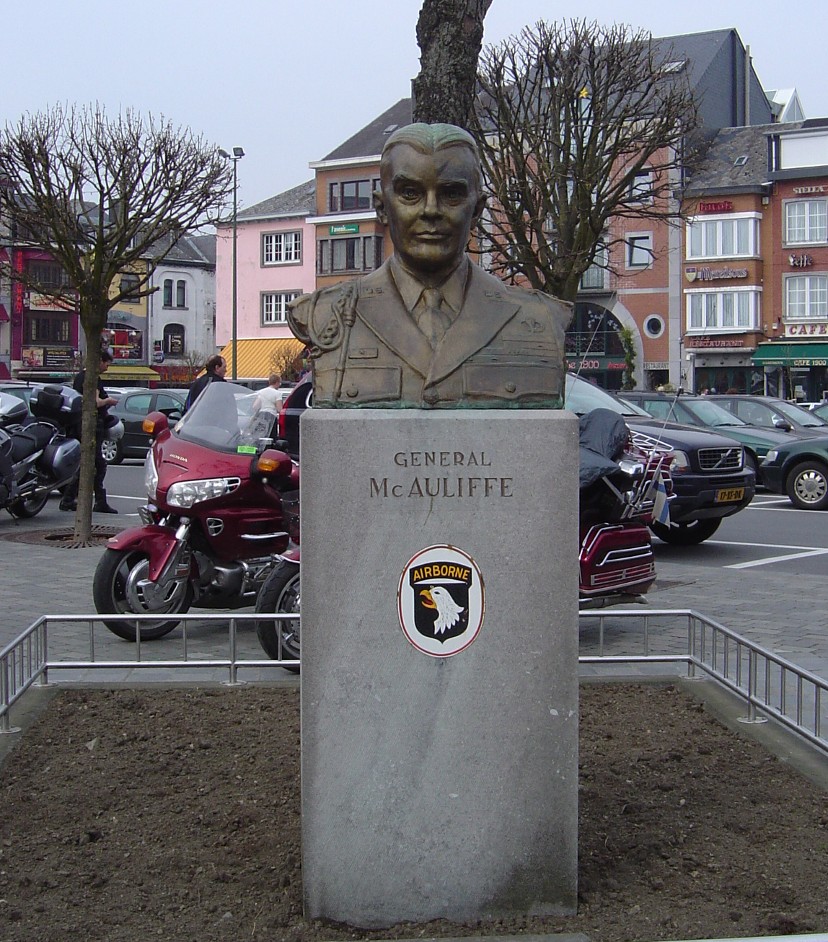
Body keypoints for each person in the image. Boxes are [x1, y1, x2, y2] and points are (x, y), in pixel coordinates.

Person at [288, 123, 571, 409]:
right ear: (382, 208)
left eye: (451, 194)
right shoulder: (325, 314)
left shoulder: (542, 318)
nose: (431, 210)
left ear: (477, 210)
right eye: (410, 193)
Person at [59, 349, 119, 513]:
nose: (107, 367)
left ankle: (93, 500)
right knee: (93, 462)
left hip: (81, 423)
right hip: (92, 424)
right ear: (99, 361)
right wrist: (109, 401)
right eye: (106, 364)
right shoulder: (92, 378)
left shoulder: (79, 377)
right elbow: (95, 402)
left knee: (93, 463)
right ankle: (72, 499)